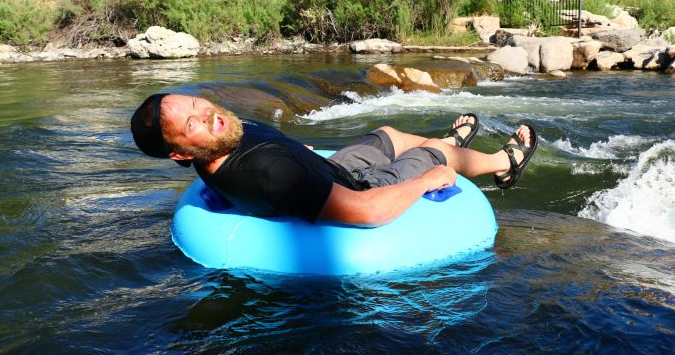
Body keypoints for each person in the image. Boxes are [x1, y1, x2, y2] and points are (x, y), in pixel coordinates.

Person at [131, 93, 538, 227]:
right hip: (360, 189)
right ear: (182, 153)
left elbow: (270, 152)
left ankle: (447, 142)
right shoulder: (269, 174)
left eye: (198, 103)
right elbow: (365, 212)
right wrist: (426, 180)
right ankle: (504, 163)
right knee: (437, 155)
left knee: (390, 135)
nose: (208, 113)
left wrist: (299, 151)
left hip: (329, 168)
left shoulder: (218, 141)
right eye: (192, 122)